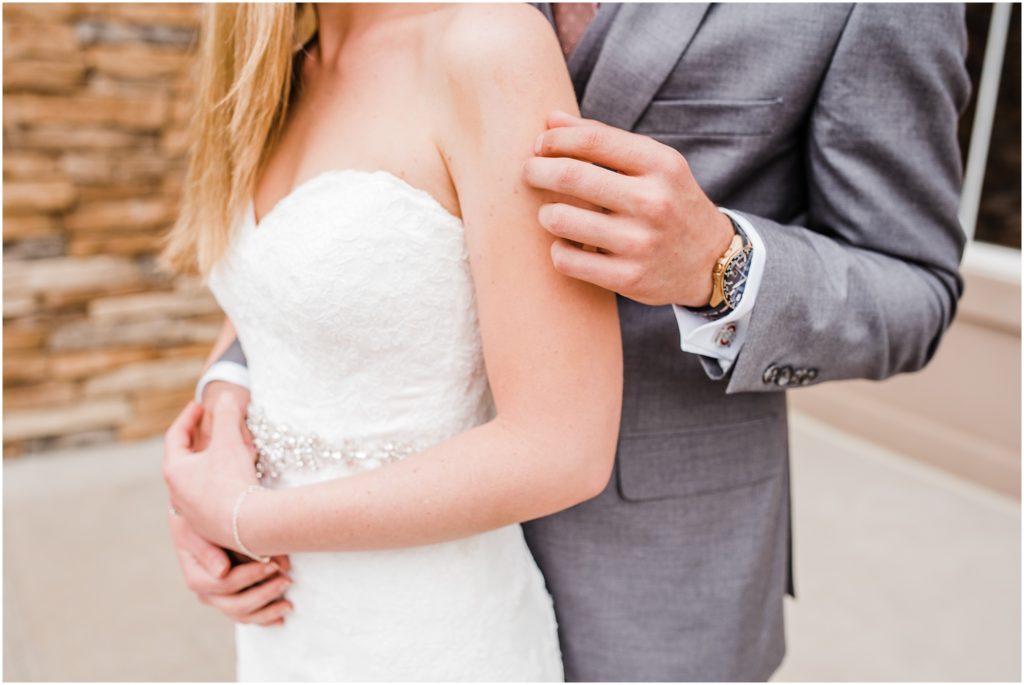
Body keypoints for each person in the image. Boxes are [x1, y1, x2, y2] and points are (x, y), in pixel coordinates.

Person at [169, 3, 971, 681]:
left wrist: (721, 266)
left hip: (656, 573)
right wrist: (226, 435)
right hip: (352, 568)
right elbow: (339, 255)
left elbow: (914, 285)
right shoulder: (322, 38)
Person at [161, 3, 623, 680]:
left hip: (433, 630)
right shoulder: (273, 64)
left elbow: (564, 447)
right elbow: (269, 294)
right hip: (283, 624)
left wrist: (247, 518)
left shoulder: (489, 46)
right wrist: (216, 430)